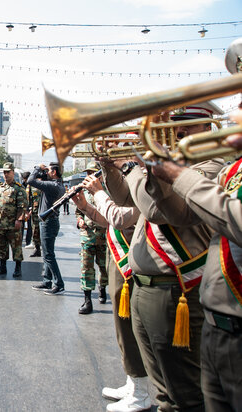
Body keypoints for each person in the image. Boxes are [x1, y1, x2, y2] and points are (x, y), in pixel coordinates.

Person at [100, 102, 224, 411]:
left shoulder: (211, 164)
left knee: (185, 393)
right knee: (162, 392)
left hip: (177, 289)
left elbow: (159, 210)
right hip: (145, 284)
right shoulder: (165, 164)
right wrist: (108, 165)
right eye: (172, 124)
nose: (175, 131)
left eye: (185, 126)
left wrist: (136, 165)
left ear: (207, 127)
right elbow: (123, 196)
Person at [146, 97, 242, 409]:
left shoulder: (213, 166)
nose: (234, 114)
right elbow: (171, 211)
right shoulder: (233, 171)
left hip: (228, 318)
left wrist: (173, 174)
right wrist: (149, 170)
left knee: (187, 397)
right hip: (218, 319)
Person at [72, 174, 150, 412]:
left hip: (134, 258)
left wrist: (98, 193)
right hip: (120, 255)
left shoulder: (140, 181)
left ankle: (142, 392)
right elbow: (109, 221)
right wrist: (85, 207)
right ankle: (134, 381)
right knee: (123, 327)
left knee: (133, 328)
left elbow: (121, 218)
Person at [75, 162, 108, 314]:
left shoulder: (107, 192)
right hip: (87, 236)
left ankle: (103, 287)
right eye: (88, 172)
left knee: (104, 267)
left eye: (93, 172)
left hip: (103, 237)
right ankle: (87, 300)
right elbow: (78, 211)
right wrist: (79, 220)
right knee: (86, 268)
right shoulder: (84, 192)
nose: (90, 175)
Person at [28, 163, 66, 295]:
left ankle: (59, 284)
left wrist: (37, 168)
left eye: (49, 170)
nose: (47, 172)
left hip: (48, 222)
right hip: (51, 221)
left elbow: (30, 180)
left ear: (54, 172)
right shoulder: (59, 185)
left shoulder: (52, 186)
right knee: (47, 253)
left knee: (49, 255)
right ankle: (47, 280)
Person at [0, 162, 27, 277]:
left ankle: (18, 267)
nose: (6, 174)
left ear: (13, 173)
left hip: (13, 224)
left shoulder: (18, 189)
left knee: (16, 246)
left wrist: (19, 220)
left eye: (8, 172)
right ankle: (2, 266)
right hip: (1, 223)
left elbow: (22, 206)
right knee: (2, 246)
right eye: (4, 172)